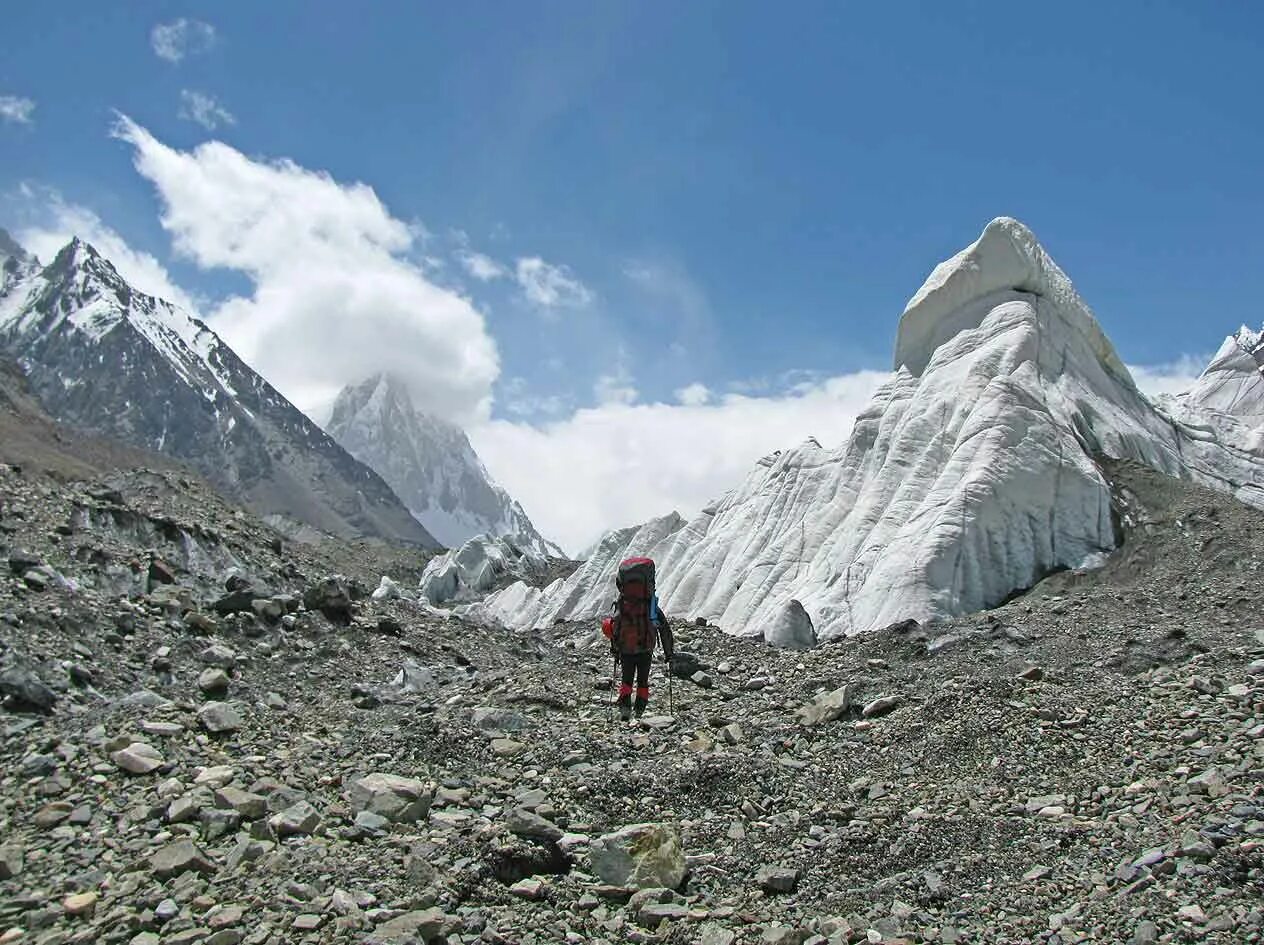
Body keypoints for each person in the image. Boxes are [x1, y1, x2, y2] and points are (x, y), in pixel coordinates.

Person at [601, 556, 674, 721]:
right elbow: (664, 629)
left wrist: (615, 649)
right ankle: (640, 710)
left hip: (626, 649)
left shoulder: (622, 604)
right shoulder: (651, 606)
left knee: (626, 679)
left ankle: (625, 708)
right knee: (643, 680)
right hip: (645, 648)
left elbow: (615, 628)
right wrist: (669, 653)